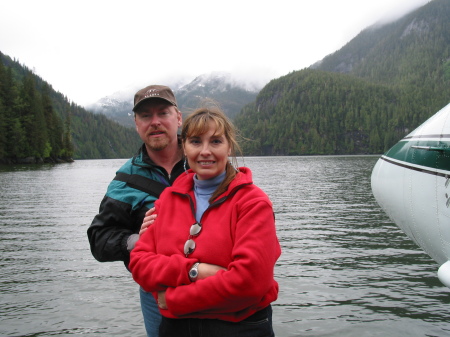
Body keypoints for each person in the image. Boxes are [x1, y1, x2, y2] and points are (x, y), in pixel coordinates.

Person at [129, 106, 281, 337]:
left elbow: (250, 283)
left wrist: (173, 299)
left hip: (239, 329)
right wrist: (195, 270)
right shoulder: (168, 200)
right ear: (185, 147)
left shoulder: (252, 202)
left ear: (229, 146)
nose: (205, 151)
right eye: (196, 142)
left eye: (216, 142)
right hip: (176, 329)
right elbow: (140, 264)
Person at [87, 84, 185, 337]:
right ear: (137, 124)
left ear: (178, 118)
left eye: (163, 113)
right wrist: (137, 241)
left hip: (216, 282)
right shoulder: (124, 180)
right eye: (145, 116)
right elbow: (99, 238)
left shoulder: (206, 159)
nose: (155, 122)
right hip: (157, 292)